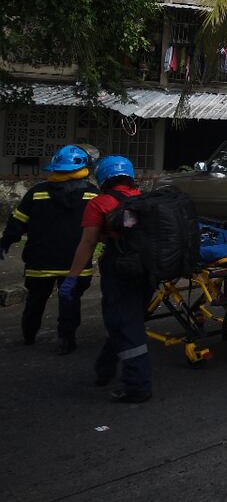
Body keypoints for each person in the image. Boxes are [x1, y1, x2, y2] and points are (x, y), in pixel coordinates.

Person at [62, 155, 153, 403]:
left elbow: (88, 242)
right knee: (124, 320)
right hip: (148, 270)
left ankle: (138, 386)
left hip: (120, 270)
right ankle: (105, 368)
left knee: (125, 323)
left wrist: (72, 277)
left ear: (102, 176)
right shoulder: (143, 199)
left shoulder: (99, 203)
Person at [1, 145, 98, 353]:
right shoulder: (93, 195)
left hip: (40, 261)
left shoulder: (37, 193)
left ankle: (29, 334)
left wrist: (6, 242)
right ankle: (66, 339)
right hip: (76, 264)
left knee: (35, 300)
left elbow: (17, 222)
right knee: (70, 301)